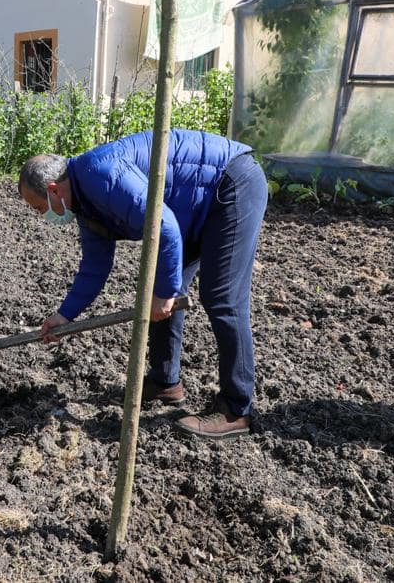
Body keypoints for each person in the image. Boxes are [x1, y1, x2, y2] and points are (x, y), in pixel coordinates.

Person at [18, 129, 268, 439]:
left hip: (230, 184)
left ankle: (235, 410)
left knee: (221, 298)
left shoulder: (101, 175)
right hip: (192, 203)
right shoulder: (83, 201)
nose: (43, 217)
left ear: (54, 190)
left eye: (40, 208)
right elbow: (94, 267)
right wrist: (64, 315)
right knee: (160, 285)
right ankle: (165, 382)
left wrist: (165, 294)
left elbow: (163, 226)